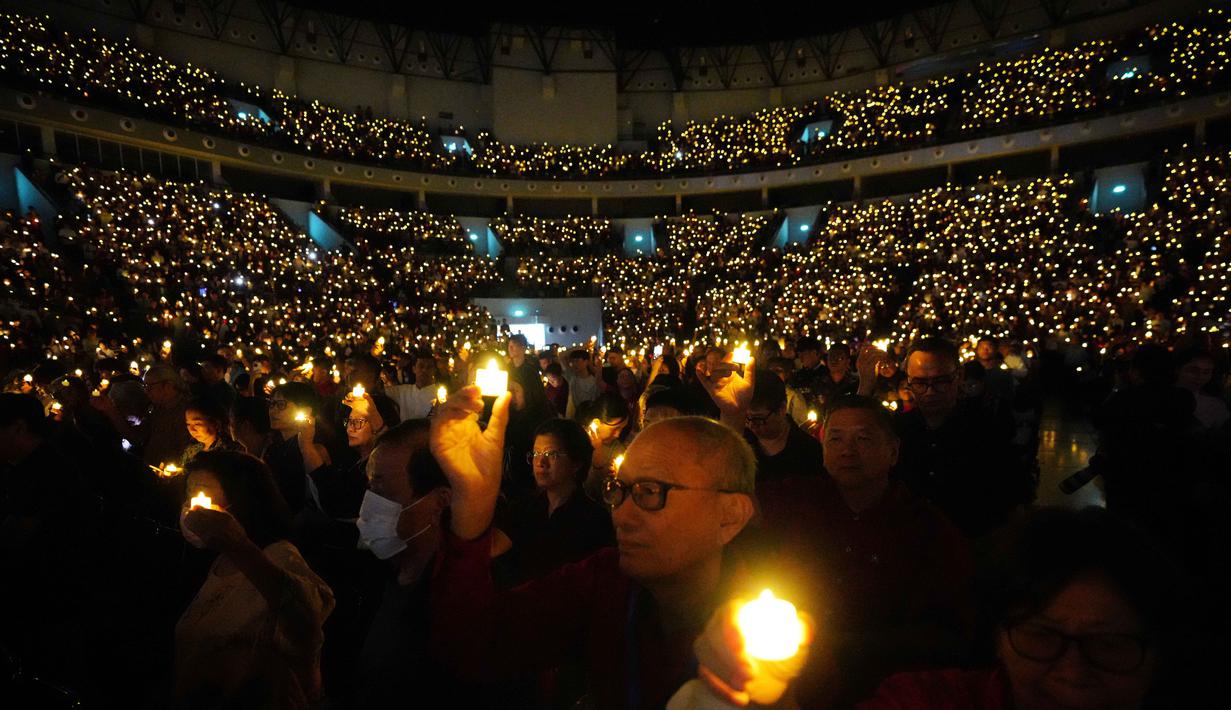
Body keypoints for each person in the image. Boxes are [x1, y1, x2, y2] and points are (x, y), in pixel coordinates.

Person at [428, 388, 757, 710]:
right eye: (620, 491)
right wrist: (471, 503)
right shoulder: (604, 581)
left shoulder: (771, 640)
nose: (622, 516)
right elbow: (475, 645)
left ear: (729, 516)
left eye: (651, 491)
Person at [856, 508, 1196, 709]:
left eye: (1109, 645)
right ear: (998, 639)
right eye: (1042, 636)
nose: (1073, 676)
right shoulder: (928, 701)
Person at [755, 396, 974, 705]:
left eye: (863, 438)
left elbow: (943, 635)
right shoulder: (796, 500)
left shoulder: (925, 527)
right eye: (836, 438)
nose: (847, 450)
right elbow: (730, 503)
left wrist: (843, 649)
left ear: (893, 451)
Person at [175, 451, 335, 709]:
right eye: (188, 492)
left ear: (242, 499)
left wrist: (240, 547)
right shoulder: (218, 561)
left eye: (201, 493)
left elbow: (307, 625)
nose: (190, 506)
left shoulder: (279, 558)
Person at [355, 420, 461, 707]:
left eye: (384, 491)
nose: (369, 505)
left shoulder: (456, 600)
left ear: (440, 500)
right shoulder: (378, 571)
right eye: (370, 487)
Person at [893, 338, 1033, 537]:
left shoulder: (986, 430)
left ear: (958, 376)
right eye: (920, 383)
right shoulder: (898, 429)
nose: (930, 392)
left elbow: (1013, 502)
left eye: (940, 381)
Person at [499, 418, 613, 584]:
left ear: (576, 463)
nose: (540, 463)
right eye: (536, 453)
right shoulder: (524, 507)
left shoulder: (594, 519)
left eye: (551, 454)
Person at [733, 372, 825, 483]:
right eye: (747, 417)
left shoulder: (808, 450)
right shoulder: (742, 441)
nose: (751, 425)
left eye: (758, 419)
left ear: (782, 409)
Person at [139, 363, 194, 468]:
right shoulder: (156, 408)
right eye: (144, 386)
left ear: (168, 386)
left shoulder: (188, 412)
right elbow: (138, 436)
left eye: (149, 387)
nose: (146, 391)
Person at [579, 392, 631, 500]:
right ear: (596, 422)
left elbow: (602, 492)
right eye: (615, 429)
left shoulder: (617, 449)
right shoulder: (576, 439)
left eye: (622, 429)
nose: (618, 434)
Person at [179, 396, 241, 465]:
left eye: (197, 424)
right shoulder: (192, 449)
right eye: (188, 424)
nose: (192, 429)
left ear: (215, 422)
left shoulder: (226, 451)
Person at [387, 351, 440, 421]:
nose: (424, 370)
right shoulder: (403, 391)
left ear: (434, 370)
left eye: (429, 367)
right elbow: (379, 391)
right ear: (414, 369)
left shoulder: (440, 396)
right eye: (421, 366)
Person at [563, 348, 600, 418]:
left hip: (590, 417)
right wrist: (582, 347)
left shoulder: (594, 381)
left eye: (577, 361)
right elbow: (562, 356)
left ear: (586, 362)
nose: (574, 364)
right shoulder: (572, 377)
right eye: (572, 361)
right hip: (574, 417)